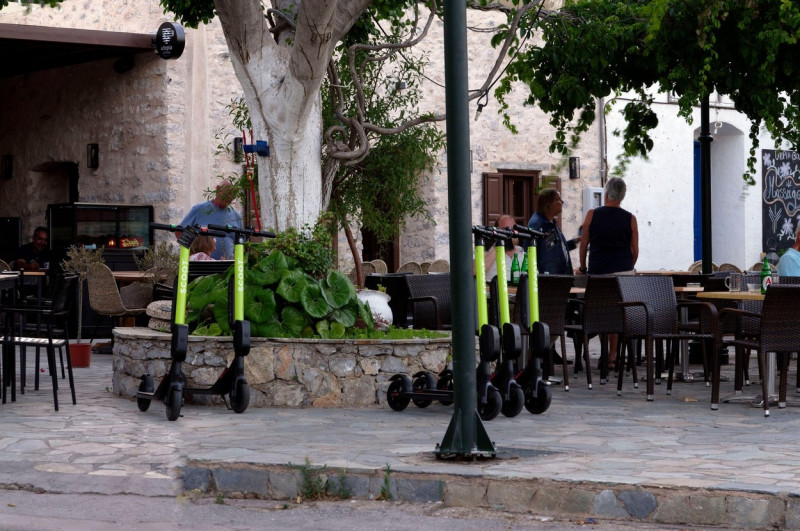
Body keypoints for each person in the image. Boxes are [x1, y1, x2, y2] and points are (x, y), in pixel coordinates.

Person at [578, 177, 639, 369]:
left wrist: (582, 267)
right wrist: (628, 266)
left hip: (598, 272)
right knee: (618, 312)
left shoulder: (592, 215)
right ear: (622, 196)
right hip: (623, 273)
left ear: (606, 193)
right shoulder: (630, 218)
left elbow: (583, 244)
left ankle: (603, 352)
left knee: (601, 310)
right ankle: (612, 356)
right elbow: (635, 250)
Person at [178, 180, 242, 260]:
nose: (230, 198)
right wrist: (192, 254)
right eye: (228, 194)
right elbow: (179, 231)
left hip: (226, 267)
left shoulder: (235, 215)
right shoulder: (200, 209)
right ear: (218, 189)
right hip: (201, 265)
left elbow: (240, 242)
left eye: (232, 196)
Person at [526, 189, 579, 275]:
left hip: (558, 278)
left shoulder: (549, 223)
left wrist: (575, 241)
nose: (562, 202)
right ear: (548, 203)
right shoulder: (539, 224)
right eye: (558, 199)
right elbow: (531, 252)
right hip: (550, 281)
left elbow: (553, 248)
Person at [481, 214, 523, 281]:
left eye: (512, 229)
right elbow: (476, 271)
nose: (510, 233)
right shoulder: (487, 252)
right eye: (505, 229)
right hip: (494, 290)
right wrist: (499, 244)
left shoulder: (523, 253)